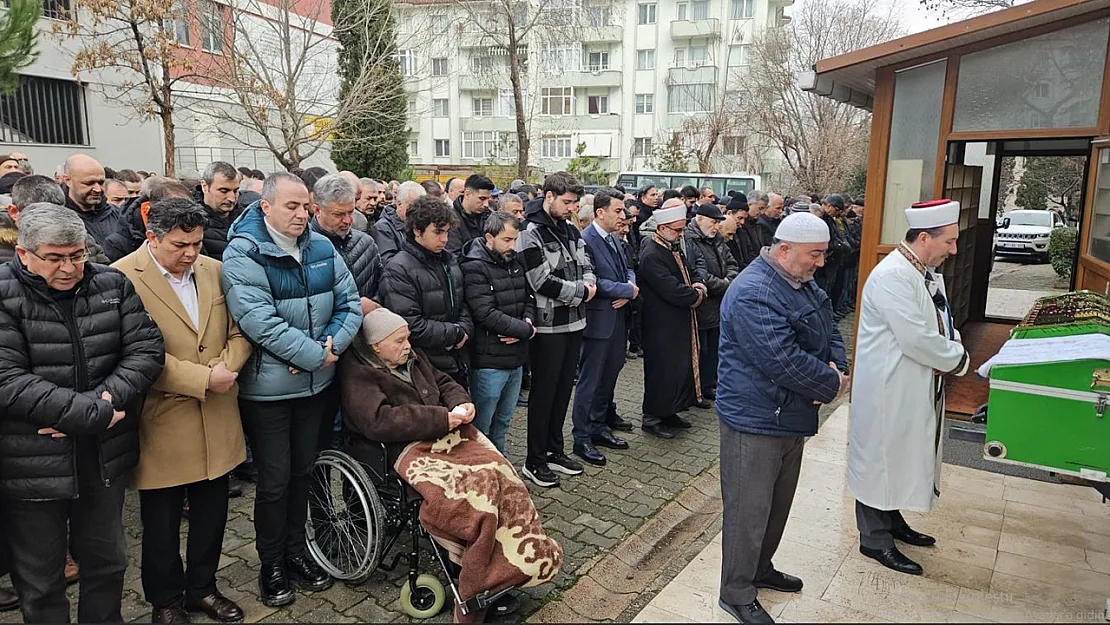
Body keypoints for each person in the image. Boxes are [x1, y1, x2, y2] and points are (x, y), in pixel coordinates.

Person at [339, 309, 560, 623]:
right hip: (408, 449)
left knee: (503, 476)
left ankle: (510, 565)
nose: (408, 345)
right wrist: (441, 418)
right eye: (400, 340)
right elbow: (379, 421)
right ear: (376, 347)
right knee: (476, 501)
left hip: (448, 435)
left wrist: (461, 401)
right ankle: (479, 576)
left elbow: (443, 381)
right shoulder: (359, 373)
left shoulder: (411, 355)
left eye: (407, 338)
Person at [0, 203, 165, 624]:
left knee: (107, 565)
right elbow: (7, 378)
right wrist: (88, 411)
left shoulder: (111, 284)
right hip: (30, 464)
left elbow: (146, 351)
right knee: (39, 580)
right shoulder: (4, 295)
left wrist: (101, 403)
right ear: (24, 254)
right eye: (55, 258)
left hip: (101, 456)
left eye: (77, 255)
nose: (70, 267)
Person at [221, 172, 362, 607]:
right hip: (270, 392)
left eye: (305, 207)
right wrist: (312, 354)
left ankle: (298, 551)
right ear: (266, 207)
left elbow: (349, 301)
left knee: (305, 471)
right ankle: (272, 564)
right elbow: (258, 320)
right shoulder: (244, 253)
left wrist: (334, 344)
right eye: (291, 206)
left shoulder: (321, 247)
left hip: (317, 386)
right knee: (275, 481)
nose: (302, 215)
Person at [113, 198, 250, 624]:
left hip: (218, 412)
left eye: (195, 242)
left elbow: (240, 328)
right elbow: (131, 349)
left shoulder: (215, 269)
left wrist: (228, 365)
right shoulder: (121, 276)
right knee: (161, 521)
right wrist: (200, 379)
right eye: (179, 245)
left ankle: (203, 589)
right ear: (152, 237)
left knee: (212, 513)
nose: (190, 253)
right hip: (163, 417)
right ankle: (166, 599)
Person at [715, 212, 849, 625]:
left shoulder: (800, 280)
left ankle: (760, 569)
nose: (821, 263)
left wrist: (837, 368)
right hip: (756, 419)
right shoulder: (755, 291)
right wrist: (830, 383)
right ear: (785, 248)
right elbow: (781, 360)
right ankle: (735, 591)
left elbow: (831, 329)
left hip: (788, 414)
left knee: (776, 504)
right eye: (815, 254)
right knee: (747, 509)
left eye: (824, 255)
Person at [849, 200, 970, 577]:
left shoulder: (923, 270)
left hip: (910, 382)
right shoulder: (892, 277)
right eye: (948, 242)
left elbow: (941, 321)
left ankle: (892, 519)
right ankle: (874, 539)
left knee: (899, 456)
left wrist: (952, 345)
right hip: (888, 388)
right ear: (922, 237)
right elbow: (917, 338)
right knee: (880, 460)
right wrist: (960, 359)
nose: (953, 250)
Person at [516, 172, 596, 488]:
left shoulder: (571, 228)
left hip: (574, 322)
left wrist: (588, 283)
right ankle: (534, 460)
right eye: (567, 202)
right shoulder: (529, 232)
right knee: (544, 394)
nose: (572, 208)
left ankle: (554, 450)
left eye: (576, 202)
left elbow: (586, 262)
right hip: (548, 327)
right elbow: (541, 281)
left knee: (563, 391)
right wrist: (582, 291)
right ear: (548, 196)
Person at [571, 187, 636, 467]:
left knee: (609, 377)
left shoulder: (615, 239)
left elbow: (629, 268)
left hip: (617, 320)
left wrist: (629, 287)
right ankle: (581, 436)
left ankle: (598, 427)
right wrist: (625, 290)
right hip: (598, 321)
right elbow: (593, 280)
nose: (623, 216)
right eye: (618, 211)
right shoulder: (586, 240)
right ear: (600, 212)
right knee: (590, 380)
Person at [461, 211, 535, 454]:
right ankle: (481, 476)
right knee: (482, 426)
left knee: (503, 422)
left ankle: (500, 472)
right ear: (489, 238)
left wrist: (527, 323)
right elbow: (485, 313)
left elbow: (529, 297)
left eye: (515, 240)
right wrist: (525, 330)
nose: (512, 246)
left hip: (515, 358)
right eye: (507, 240)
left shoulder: (514, 261)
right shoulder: (474, 266)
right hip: (489, 361)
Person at [380, 195, 473, 387]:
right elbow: (409, 324)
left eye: (447, 232)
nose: (444, 239)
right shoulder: (398, 269)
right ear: (417, 230)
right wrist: (454, 333)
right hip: (423, 366)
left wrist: (463, 330)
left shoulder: (449, 261)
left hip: (455, 360)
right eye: (438, 232)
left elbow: (463, 303)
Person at [638, 202, 707, 439]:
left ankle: (670, 411)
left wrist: (698, 284)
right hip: (660, 324)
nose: (681, 235)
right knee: (661, 370)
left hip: (677, 320)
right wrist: (696, 294)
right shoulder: (651, 253)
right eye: (677, 230)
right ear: (662, 228)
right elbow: (671, 289)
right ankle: (652, 416)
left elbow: (692, 270)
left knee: (677, 369)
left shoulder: (671, 246)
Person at [685, 203, 739, 401]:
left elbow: (732, 263)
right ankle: (694, 390)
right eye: (713, 222)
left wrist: (729, 280)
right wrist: (724, 285)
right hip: (702, 303)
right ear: (699, 219)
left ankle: (708, 385)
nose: (716, 226)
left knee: (714, 348)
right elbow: (698, 272)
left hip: (718, 305)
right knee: (700, 349)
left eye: (718, 222)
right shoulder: (690, 239)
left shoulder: (717, 240)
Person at [309, 174, 382, 306]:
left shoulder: (367, 244)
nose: (348, 220)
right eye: (338, 214)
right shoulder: (301, 248)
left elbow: (382, 288)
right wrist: (355, 308)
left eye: (351, 212)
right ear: (317, 210)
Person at [61, 154, 120, 248]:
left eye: (101, 183)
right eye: (89, 183)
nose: (97, 189)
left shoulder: (118, 215)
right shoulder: (57, 221)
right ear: (68, 180)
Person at [196, 162, 243, 262]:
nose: (232, 198)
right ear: (204, 186)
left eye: (235, 191)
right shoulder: (191, 221)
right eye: (223, 191)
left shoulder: (248, 218)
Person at [374, 180, 425, 264]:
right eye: (413, 206)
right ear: (399, 204)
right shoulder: (383, 228)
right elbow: (389, 263)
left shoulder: (420, 224)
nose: (418, 211)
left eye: (422, 206)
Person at [447, 174, 494, 256]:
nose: (486, 204)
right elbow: (453, 256)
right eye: (482, 199)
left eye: (488, 199)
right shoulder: (450, 219)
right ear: (467, 194)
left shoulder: (490, 216)